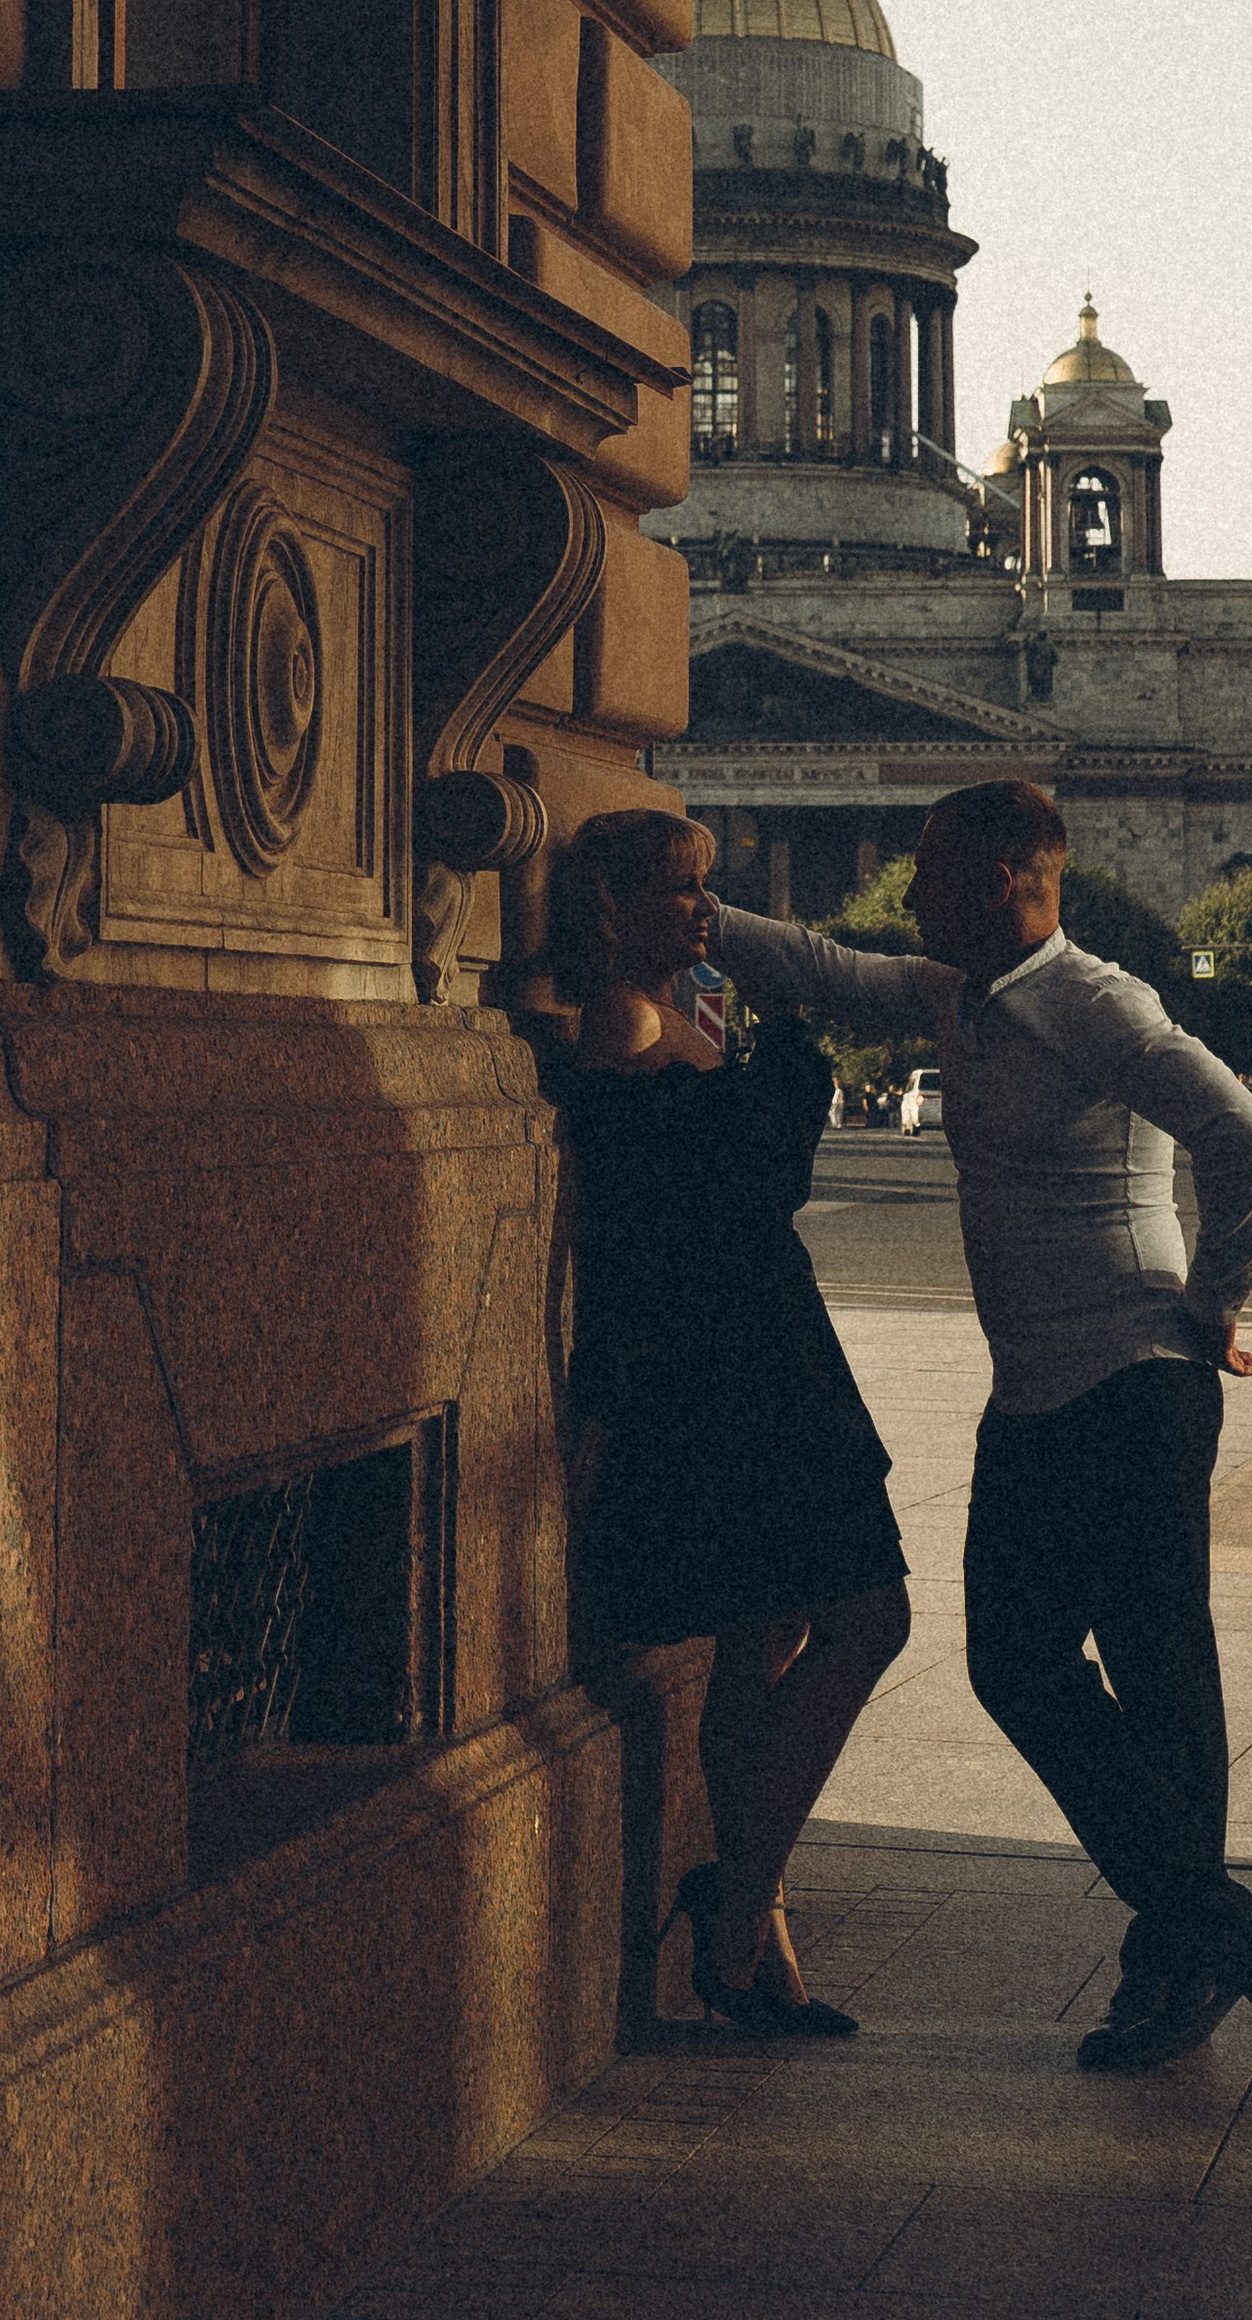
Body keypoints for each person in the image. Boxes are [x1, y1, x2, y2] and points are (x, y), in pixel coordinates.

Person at [706, 778, 1252, 2076]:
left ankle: (1178, 1954)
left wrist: (1213, 1305)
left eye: (928, 869)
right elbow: (823, 965)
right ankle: (1202, 1923)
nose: (909, 892)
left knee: (1157, 1672)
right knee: (1016, 1663)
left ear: (1004, 881)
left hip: (1137, 1386)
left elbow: (1240, 1131)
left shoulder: (1093, 999)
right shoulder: (954, 996)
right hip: (1036, 1395)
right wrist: (688, 911)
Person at [543, 809, 909, 2039]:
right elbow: (724, 1192)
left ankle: (752, 1943)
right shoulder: (627, 1022)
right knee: (868, 1617)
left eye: (708, 888)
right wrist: (792, 1063)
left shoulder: (668, 1019)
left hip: (751, 1346)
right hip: (735, 1364)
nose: (707, 910)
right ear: (613, 907)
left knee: (767, 1639)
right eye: (680, 890)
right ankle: (739, 1897)